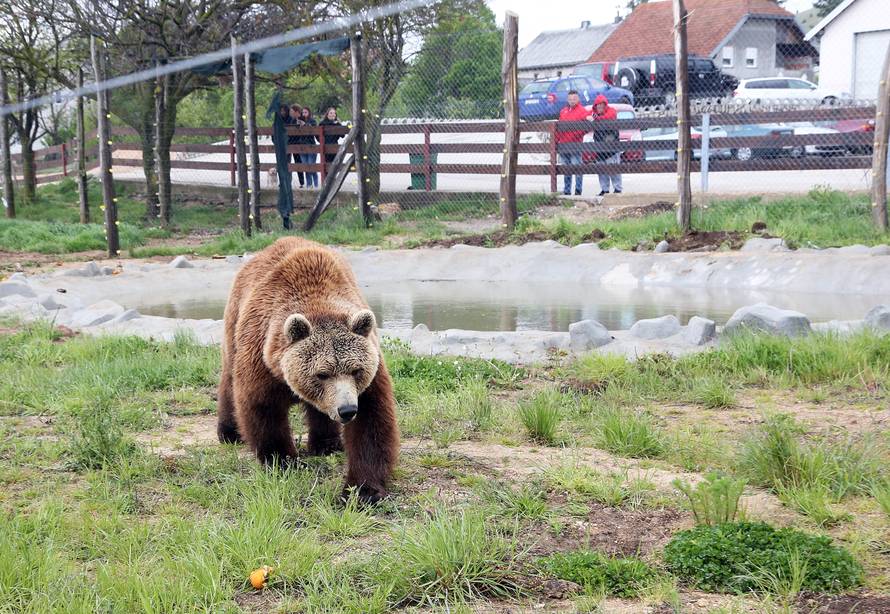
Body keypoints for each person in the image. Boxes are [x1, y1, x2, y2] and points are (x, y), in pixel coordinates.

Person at [556, 90, 590, 196]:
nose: (572, 101)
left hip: (575, 144)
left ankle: (578, 190)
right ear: (567, 99)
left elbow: (588, 124)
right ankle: (567, 190)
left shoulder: (582, 111)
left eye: (574, 99)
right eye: (570, 99)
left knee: (577, 168)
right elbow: (558, 128)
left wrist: (578, 134)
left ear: (578, 99)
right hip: (564, 145)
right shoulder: (563, 111)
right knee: (566, 169)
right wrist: (556, 141)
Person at [590, 94, 623, 196]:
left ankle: (617, 189)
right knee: (601, 170)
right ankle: (605, 189)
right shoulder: (594, 115)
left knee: (614, 169)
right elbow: (586, 115)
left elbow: (609, 117)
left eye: (601, 105)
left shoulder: (611, 111)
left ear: (605, 105)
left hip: (611, 148)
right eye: (597, 106)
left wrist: (596, 118)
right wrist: (593, 117)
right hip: (599, 147)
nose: (599, 108)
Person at [297, 107, 319, 188]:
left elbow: (314, 131)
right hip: (302, 146)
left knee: (311, 166)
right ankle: (309, 185)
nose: (304, 114)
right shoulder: (299, 121)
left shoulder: (312, 121)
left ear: (309, 113)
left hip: (311, 146)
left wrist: (305, 125)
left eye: (306, 112)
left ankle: (316, 185)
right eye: (303, 112)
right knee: (306, 168)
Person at [287, 105, 305, 188]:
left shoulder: (302, 119)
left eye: (292, 111)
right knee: (288, 163)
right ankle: (287, 181)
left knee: (298, 162)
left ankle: (302, 182)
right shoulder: (290, 120)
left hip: (298, 143)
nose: (290, 113)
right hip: (290, 143)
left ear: (296, 112)